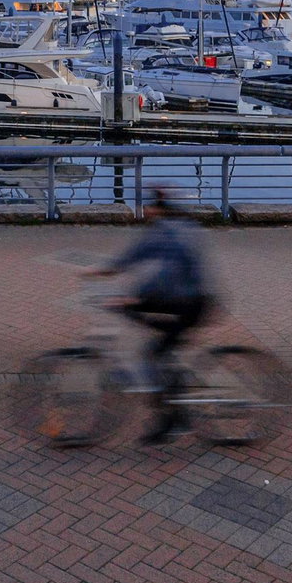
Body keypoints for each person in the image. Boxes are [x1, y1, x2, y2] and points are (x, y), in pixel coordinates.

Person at [82, 187, 216, 444]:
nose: (143, 210)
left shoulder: (171, 233)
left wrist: (137, 296)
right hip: (183, 300)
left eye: (147, 206)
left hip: (189, 303)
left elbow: (169, 274)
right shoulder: (164, 229)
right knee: (149, 334)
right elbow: (134, 255)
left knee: (154, 353)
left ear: (157, 209)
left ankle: (175, 419)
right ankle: (171, 381)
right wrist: (101, 271)